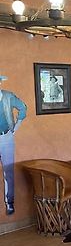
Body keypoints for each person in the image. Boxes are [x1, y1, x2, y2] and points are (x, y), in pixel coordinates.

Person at [0, 75, 27, 215]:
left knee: (8, 172)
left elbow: (23, 108)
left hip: (5, 138)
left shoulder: (8, 96)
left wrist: (15, 128)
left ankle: (9, 203)